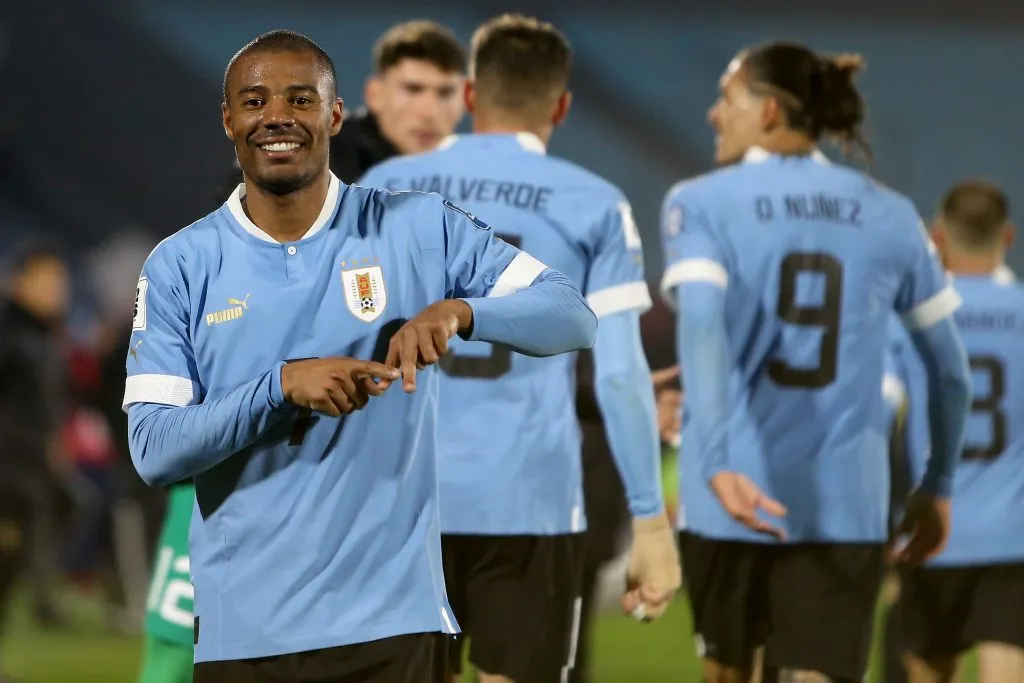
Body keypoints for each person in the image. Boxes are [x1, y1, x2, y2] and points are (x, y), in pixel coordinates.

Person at [123, 29, 596, 683]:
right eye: (255, 101)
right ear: (229, 119)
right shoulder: (180, 264)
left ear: (336, 115)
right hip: (244, 632)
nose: (278, 117)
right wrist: (280, 386)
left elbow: (571, 313)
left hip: (394, 625)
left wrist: (462, 311)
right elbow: (153, 449)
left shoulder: (417, 225)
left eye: (300, 98)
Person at [359, 14, 679, 683]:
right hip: (530, 501)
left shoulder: (383, 184)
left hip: (401, 495)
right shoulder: (595, 202)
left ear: (471, 96)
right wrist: (650, 522)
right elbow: (621, 372)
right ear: (560, 105)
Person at [659, 42, 972, 683]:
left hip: (729, 501)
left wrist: (715, 462)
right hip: (848, 505)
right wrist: (937, 487)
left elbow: (703, 327)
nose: (715, 113)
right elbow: (950, 371)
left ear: (769, 111)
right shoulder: (893, 216)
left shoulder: (701, 201)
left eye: (728, 97)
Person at [895, 180, 1024, 683]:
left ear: (937, 236)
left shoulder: (912, 318)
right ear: (1007, 236)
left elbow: (881, 412)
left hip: (931, 534)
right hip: (1014, 534)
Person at [0, 246, 71, 679]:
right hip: (6, 474)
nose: (56, 291)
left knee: (9, 572)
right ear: (19, 283)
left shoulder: (42, 336)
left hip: (29, 472)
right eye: (45, 281)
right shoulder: (9, 334)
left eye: (60, 283)